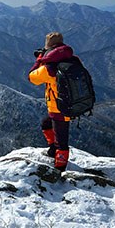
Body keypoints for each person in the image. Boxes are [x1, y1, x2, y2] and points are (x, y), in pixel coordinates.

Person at [27, 31, 76, 171]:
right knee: (46, 124)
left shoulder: (50, 68)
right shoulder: (72, 60)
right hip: (70, 103)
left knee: (62, 140)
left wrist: (39, 60)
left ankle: (60, 168)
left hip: (59, 108)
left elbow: (32, 77)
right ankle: (53, 149)